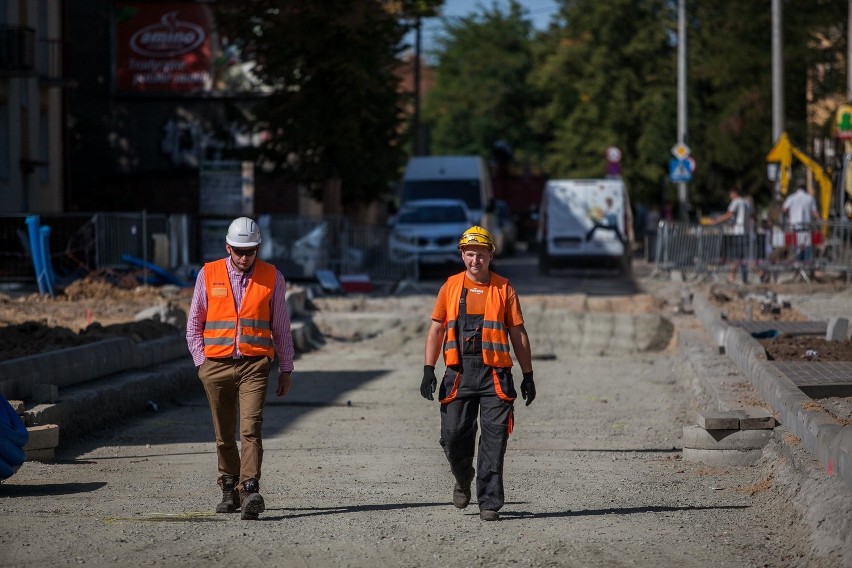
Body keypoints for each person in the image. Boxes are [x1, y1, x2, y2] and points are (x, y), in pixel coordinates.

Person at [420, 225, 536, 522]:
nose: (475, 260)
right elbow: (435, 328)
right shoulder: (450, 287)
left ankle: (489, 502)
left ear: (490, 256)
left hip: (495, 375)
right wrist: (428, 369)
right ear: (462, 255)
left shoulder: (504, 288)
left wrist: (528, 374)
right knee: (452, 436)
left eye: (480, 254)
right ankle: (462, 477)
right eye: (470, 254)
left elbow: (517, 332)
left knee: (494, 440)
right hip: (459, 373)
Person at [186, 216, 295, 520]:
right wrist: (201, 364)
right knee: (223, 433)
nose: (244, 257)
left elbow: (281, 328)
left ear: (258, 248)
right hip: (216, 365)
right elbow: (194, 324)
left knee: (251, 429)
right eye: (238, 251)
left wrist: (286, 368)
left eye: (250, 251)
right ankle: (228, 486)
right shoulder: (208, 274)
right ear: (228, 247)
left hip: (254, 365)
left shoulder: (272, 277)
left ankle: (249, 489)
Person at [710, 187, 753, 284]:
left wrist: (716, 221)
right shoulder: (746, 203)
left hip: (738, 232)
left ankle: (731, 277)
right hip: (745, 232)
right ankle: (745, 278)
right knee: (742, 257)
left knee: (735, 256)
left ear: (733, 193)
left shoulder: (736, 202)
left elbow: (729, 214)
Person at [782, 183, 819, 261]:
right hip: (806, 226)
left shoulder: (791, 198)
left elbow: (784, 209)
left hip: (795, 226)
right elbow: (814, 212)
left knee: (796, 246)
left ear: (797, 189)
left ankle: (797, 264)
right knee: (806, 247)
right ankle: (805, 266)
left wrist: (788, 217)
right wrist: (820, 219)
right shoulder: (810, 198)